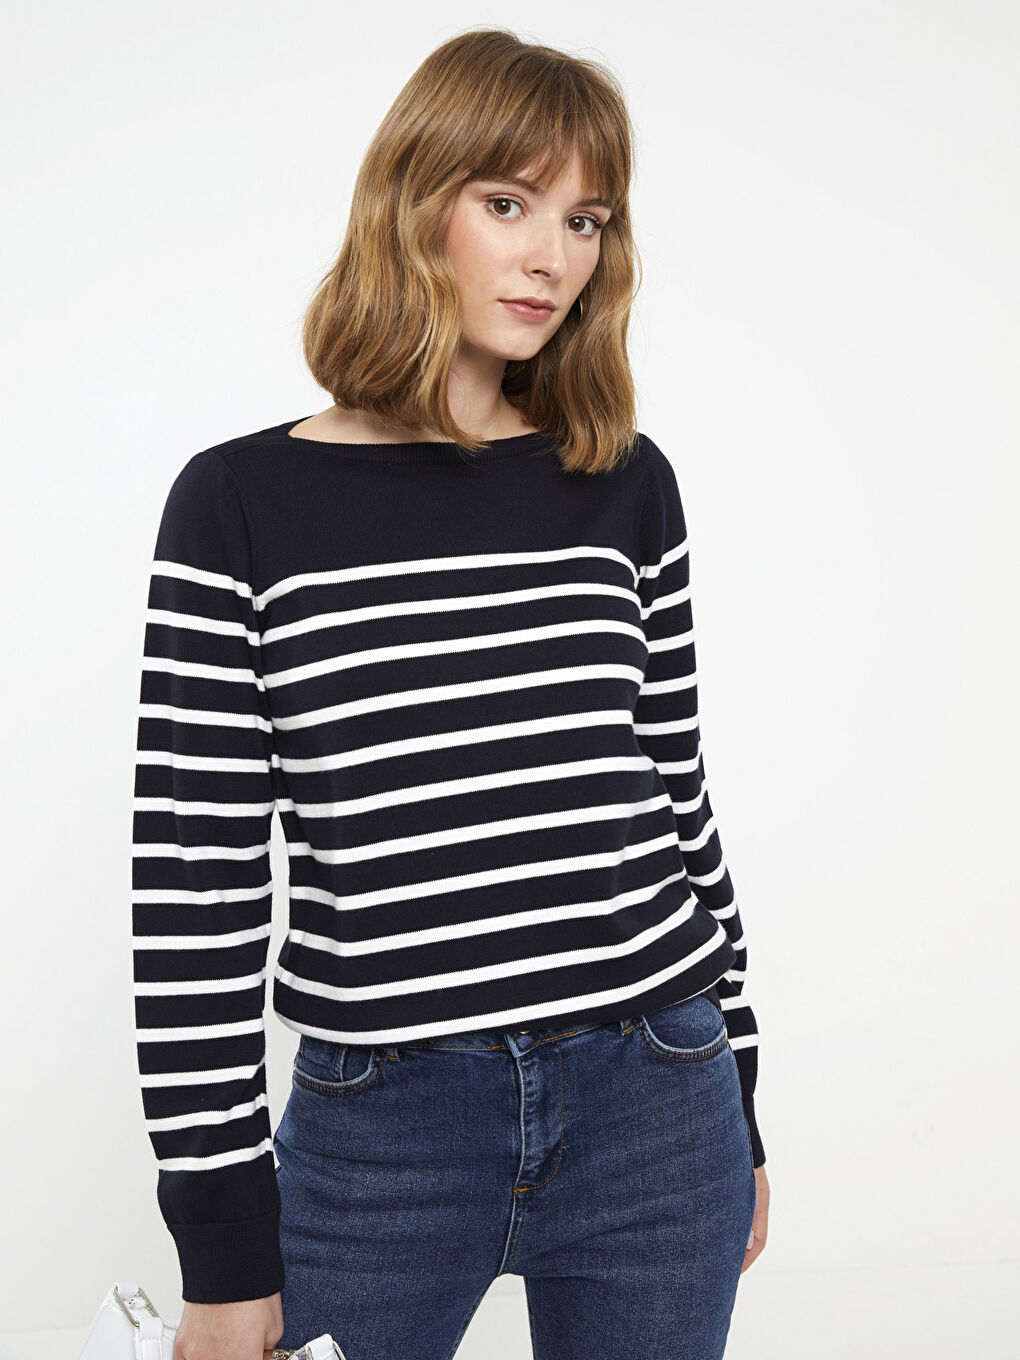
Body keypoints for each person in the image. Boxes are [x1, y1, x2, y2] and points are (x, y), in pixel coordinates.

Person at [131, 27, 770, 1360]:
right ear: (413, 204)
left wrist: (744, 1097)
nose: (554, 257)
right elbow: (197, 890)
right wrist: (223, 1248)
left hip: (657, 1099)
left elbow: (672, 794)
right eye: (509, 203)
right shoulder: (241, 502)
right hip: (383, 1133)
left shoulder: (624, 481)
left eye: (586, 219)